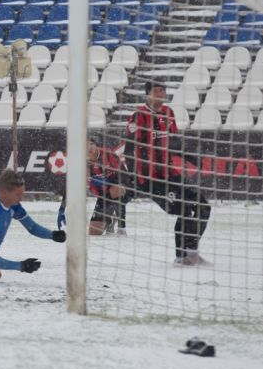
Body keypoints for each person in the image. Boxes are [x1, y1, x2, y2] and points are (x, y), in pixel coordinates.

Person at [125, 81, 211, 265]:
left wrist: (191, 158)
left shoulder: (169, 113)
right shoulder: (138, 117)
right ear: (148, 94)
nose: (161, 93)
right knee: (184, 209)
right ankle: (181, 258)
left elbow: (173, 144)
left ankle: (192, 253)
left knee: (203, 206)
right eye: (156, 90)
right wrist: (133, 177)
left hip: (170, 174)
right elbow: (128, 150)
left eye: (163, 90)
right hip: (150, 179)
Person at [86, 140, 132, 236]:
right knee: (93, 233)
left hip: (124, 189)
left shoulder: (107, 154)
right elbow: (74, 186)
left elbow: (123, 176)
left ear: (96, 145)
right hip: (104, 195)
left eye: (91, 144)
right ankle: (110, 221)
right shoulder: (83, 164)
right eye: (85, 145)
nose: (89, 147)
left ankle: (121, 227)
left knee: (116, 189)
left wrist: (108, 182)